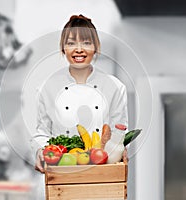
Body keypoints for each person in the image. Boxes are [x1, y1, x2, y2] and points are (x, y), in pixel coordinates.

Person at [32, 14, 128, 173]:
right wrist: (40, 151)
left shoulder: (115, 87)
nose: (79, 49)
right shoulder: (47, 88)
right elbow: (42, 133)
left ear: (96, 47)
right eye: (71, 43)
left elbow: (120, 132)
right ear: (63, 48)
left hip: (102, 173)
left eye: (86, 43)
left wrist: (122, 149)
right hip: (62, 175)